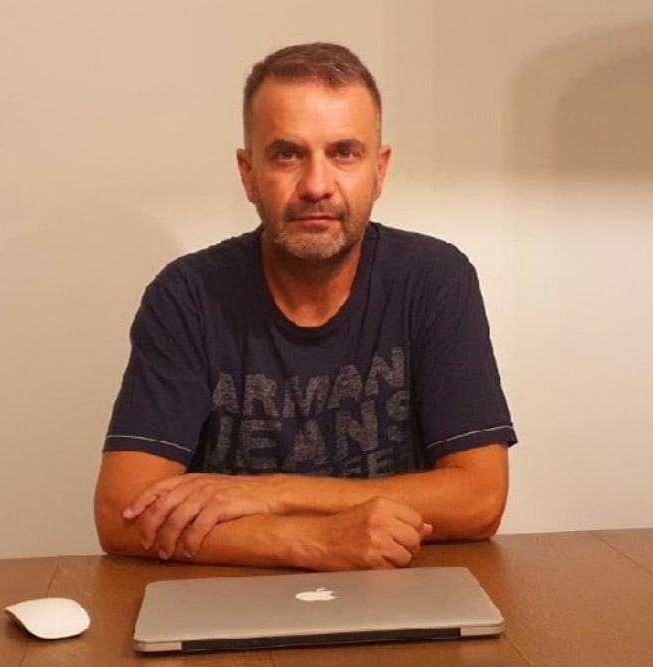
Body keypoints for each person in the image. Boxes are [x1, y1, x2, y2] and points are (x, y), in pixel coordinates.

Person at [94, 42, 516, 571]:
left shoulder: (434, 280)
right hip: (232, 598)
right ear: (248, 173)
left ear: (379, 171)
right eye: (287, 154)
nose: (317, 186)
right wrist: (310, 541)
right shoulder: (187, 296)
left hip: (397, 591)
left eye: (344, 153)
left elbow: (480, 499)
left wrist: (273, 493)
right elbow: (120, 514)